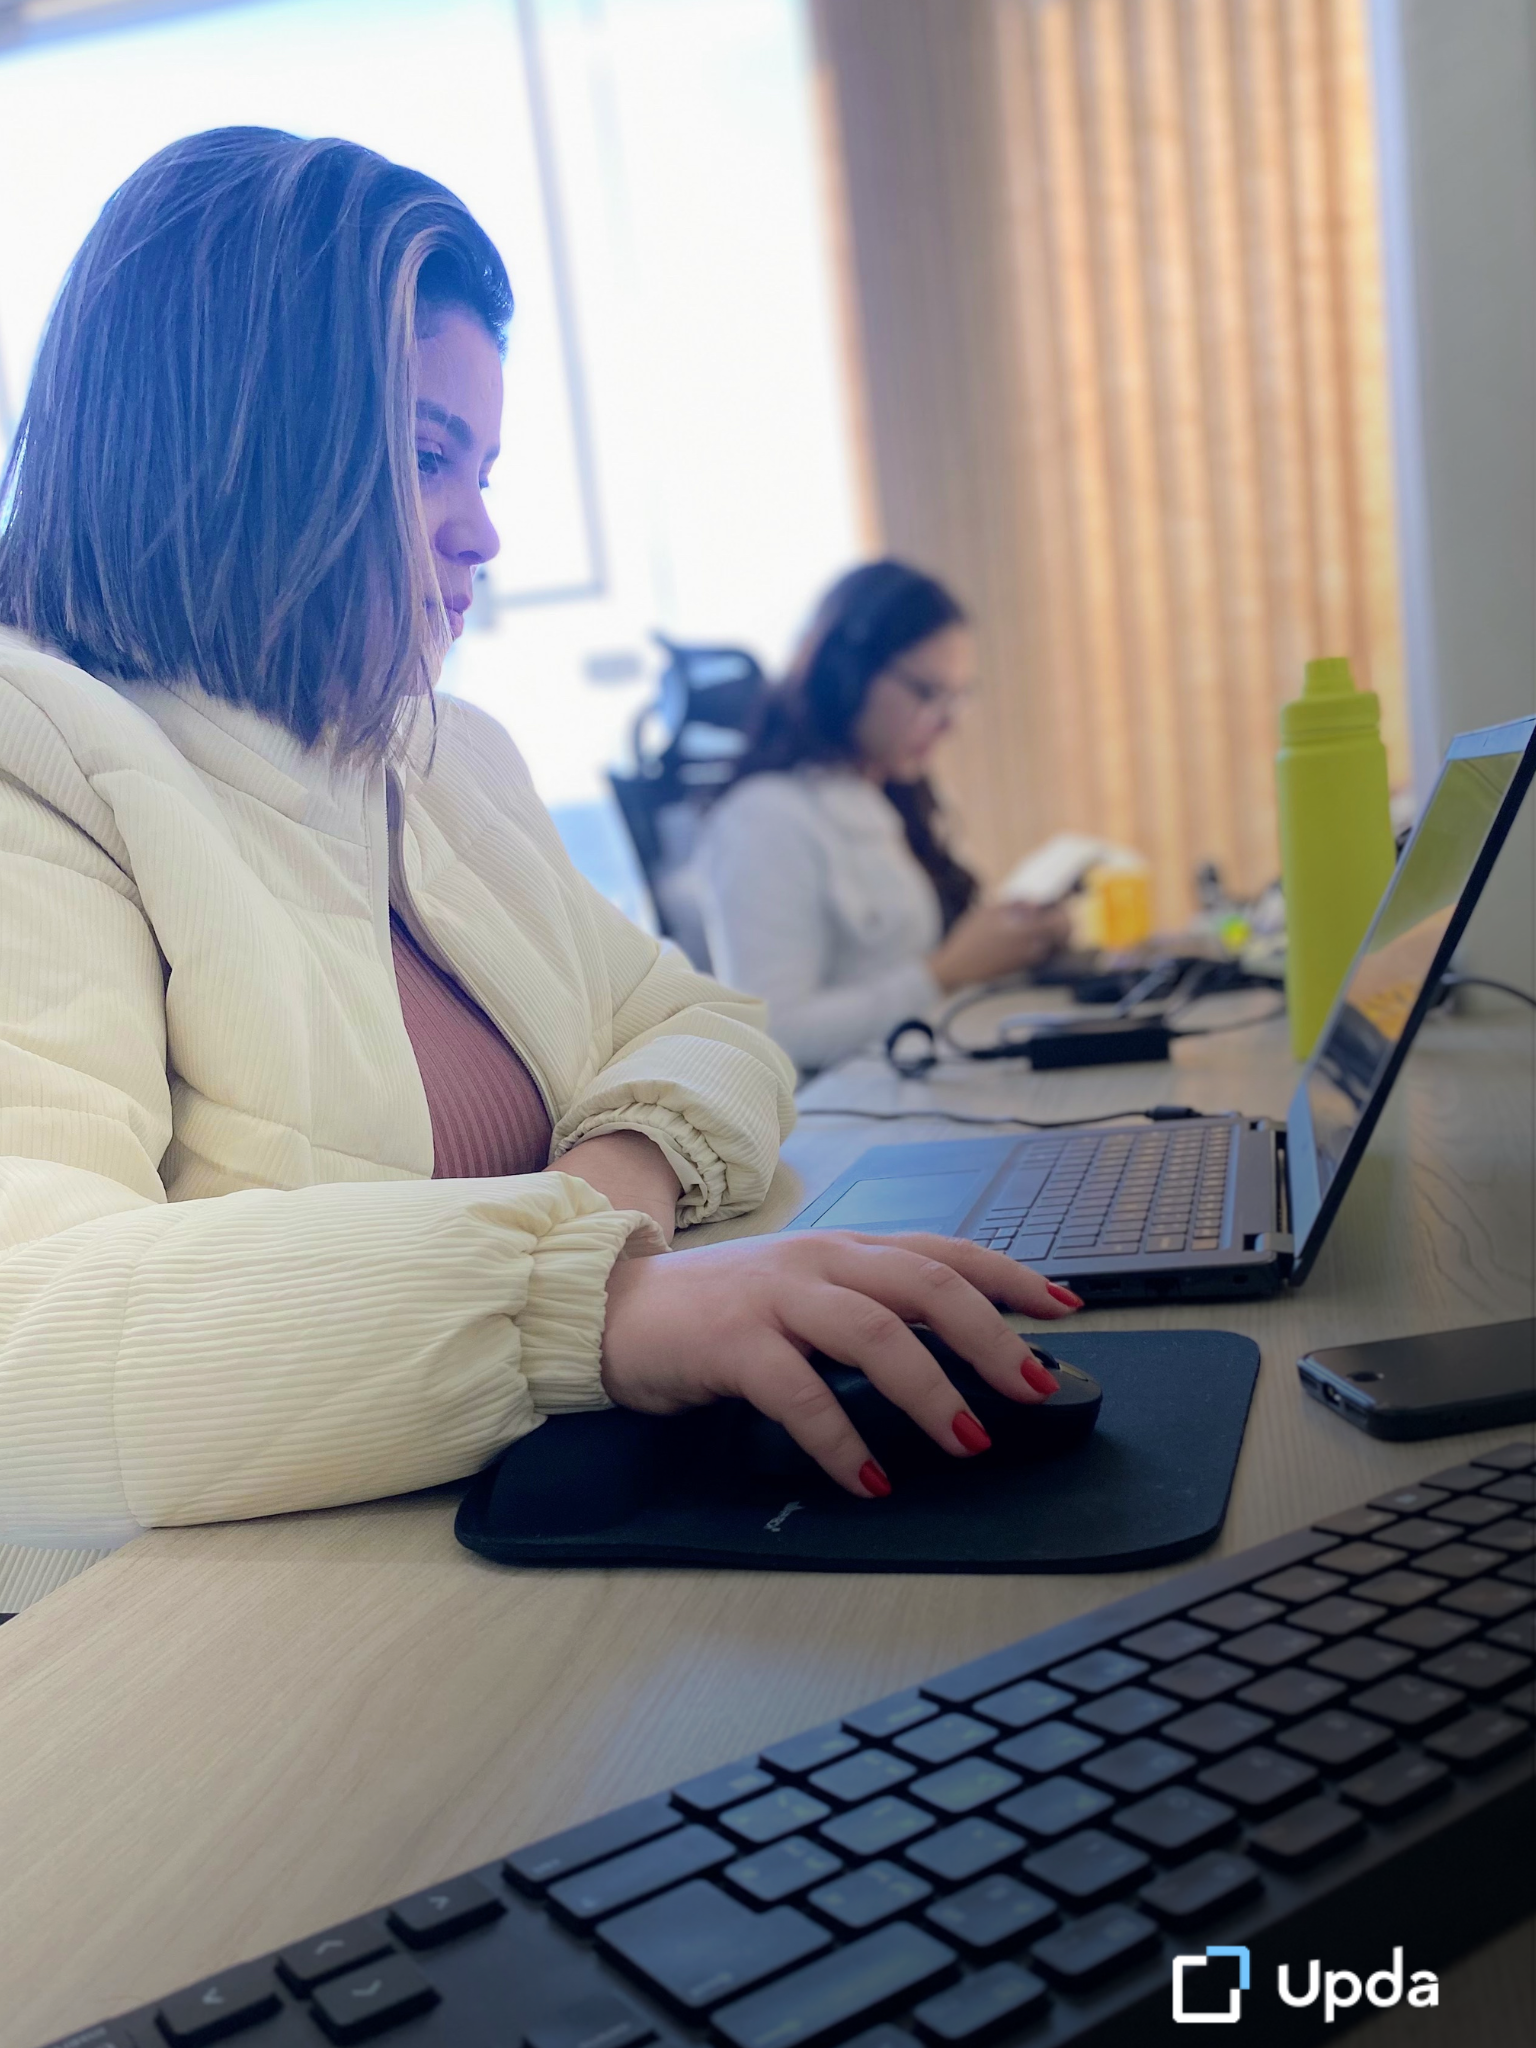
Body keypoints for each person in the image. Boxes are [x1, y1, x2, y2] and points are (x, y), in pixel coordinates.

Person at [0, 130, 1078, 1547]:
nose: (482, 534)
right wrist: (587, 1304)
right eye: (425, 458)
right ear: (229, 450)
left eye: (486, 467)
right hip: (218, 1614)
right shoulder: (35, 760)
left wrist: (611, 1186)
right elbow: (28, 1332)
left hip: (502, 1517)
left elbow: (707, 1023)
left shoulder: (442, 756)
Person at [698, 562, 1068, 1072]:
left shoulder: (889, 797)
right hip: (845, 1107)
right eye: (928, 693)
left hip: (917, 1079)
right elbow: (777, 1032)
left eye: (958, 697)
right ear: (846, 677)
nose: (948, 723)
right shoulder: (764, 819)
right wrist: (943, 974)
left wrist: (1014, 940)